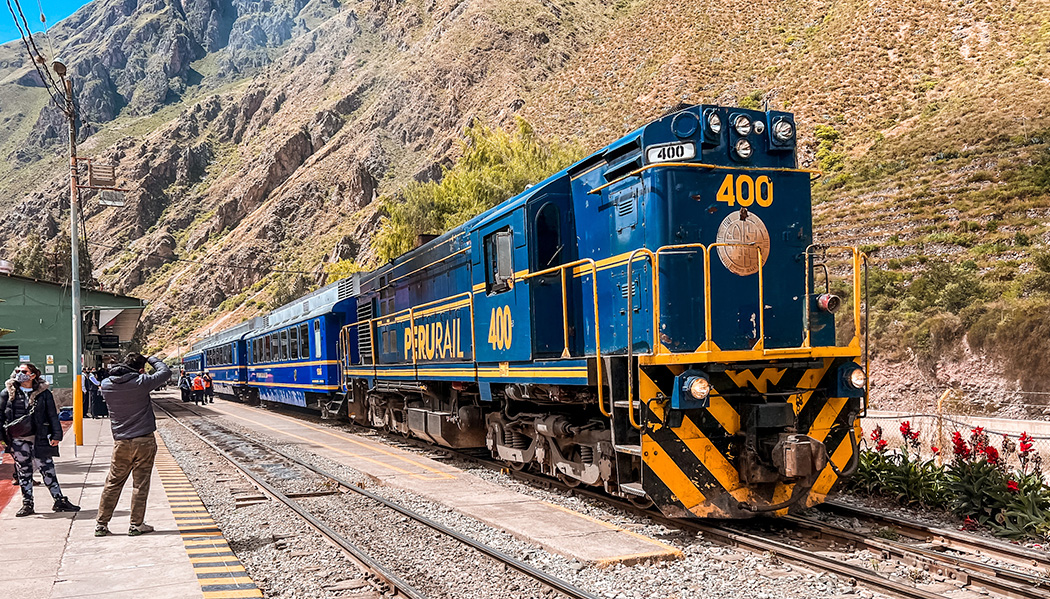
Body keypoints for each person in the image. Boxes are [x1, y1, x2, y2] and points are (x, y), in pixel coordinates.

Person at [96, 352, 171, 537]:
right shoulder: (141, 382)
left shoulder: (106, 385)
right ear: (139, 369)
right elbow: (165, 371)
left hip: (121, 442)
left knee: (113, 483)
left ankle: (101, 524)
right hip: (144, 440)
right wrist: (150, 358)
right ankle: (136, 525)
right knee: (140, 484)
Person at [0, 363, 80, 517]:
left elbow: (52, 415)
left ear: (33, 375)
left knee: (47, 469)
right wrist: (2, 438)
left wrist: (57, 435)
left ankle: (59, 500)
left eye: (23, 371)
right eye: (17, 371)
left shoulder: (44, 393)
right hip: (18, 440)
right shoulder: (7, 393)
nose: (19, 374)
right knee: (24, 472)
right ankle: (27, 503)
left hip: (40, 438)